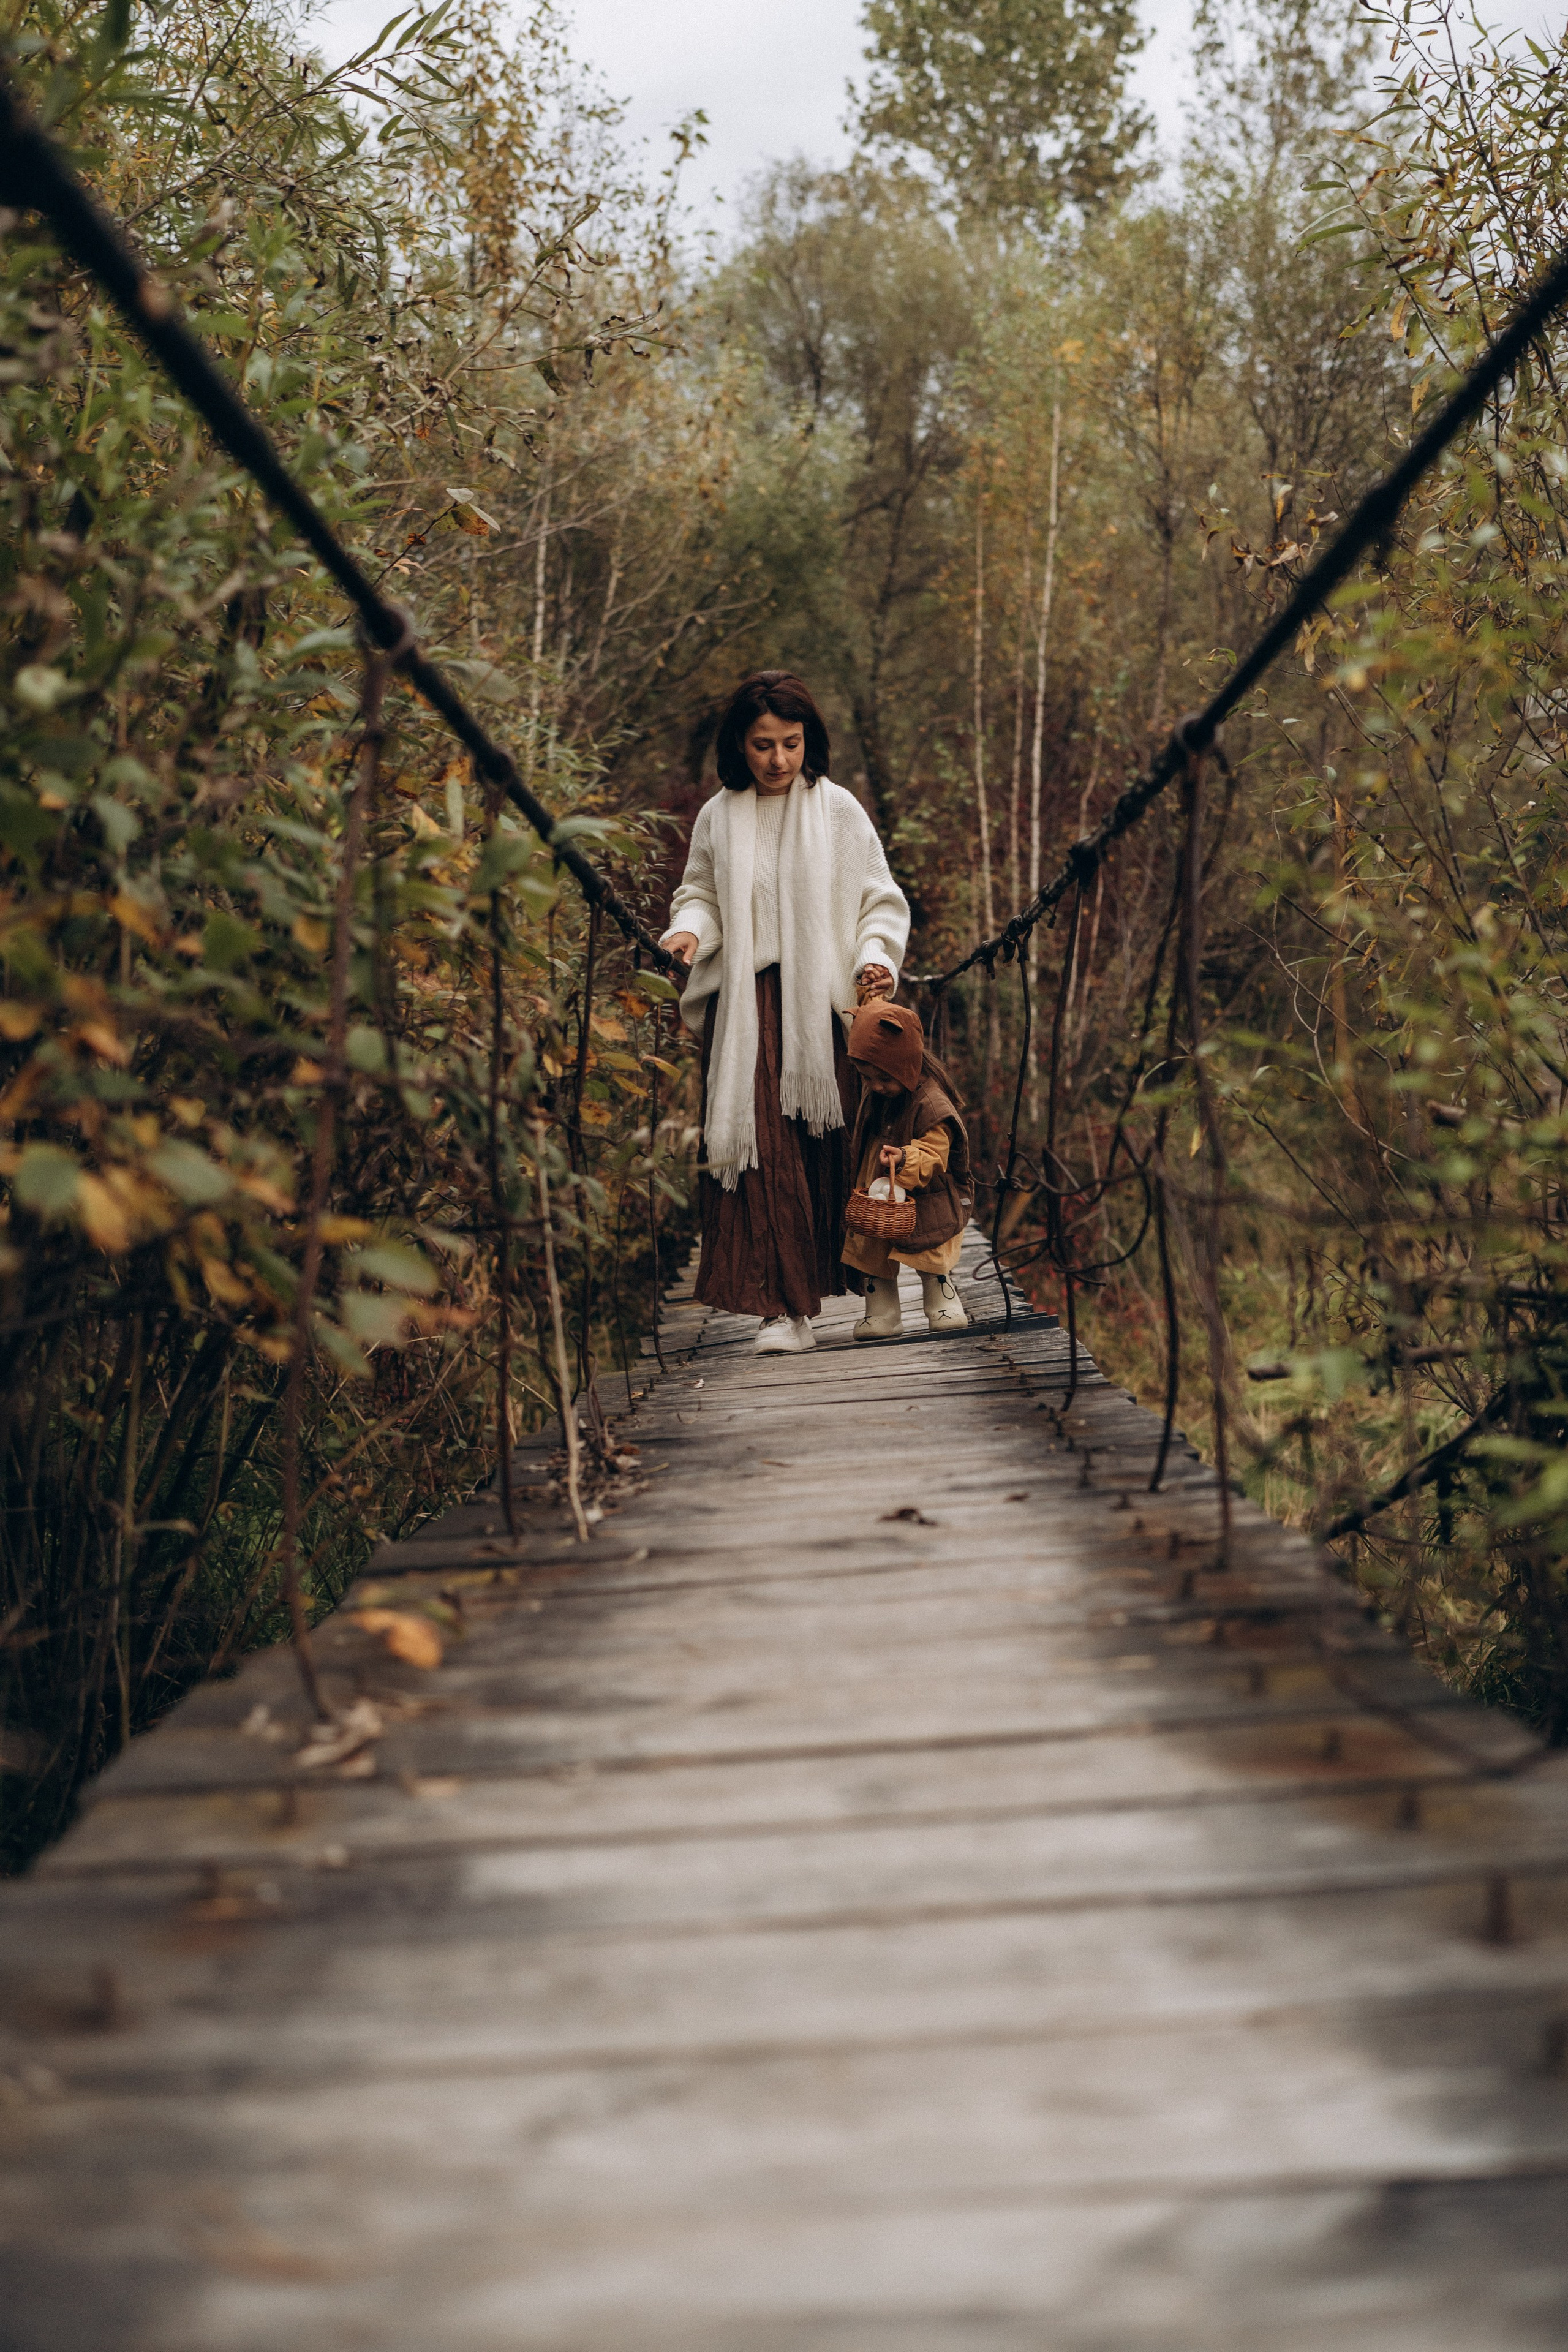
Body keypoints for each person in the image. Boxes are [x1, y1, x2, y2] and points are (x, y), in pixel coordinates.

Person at [660, 671, 910, 1355]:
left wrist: (877, 957)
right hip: (745, 1008)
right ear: (739, 746)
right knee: (760, 1154)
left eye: (791, 744)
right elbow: (700, 896)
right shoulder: (719, 815)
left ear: (810, 741)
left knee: (814, 1151)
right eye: (763, 745)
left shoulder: (838, 811)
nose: (777, 761)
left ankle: (838, 1288)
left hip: (819, 1012)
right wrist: (688, 930)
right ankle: (781, 1311)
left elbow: (877, 899)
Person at [842, 1000, 972, 1341]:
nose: (876, 1086)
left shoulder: (930, 1101)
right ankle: (882, 1313)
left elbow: (935, 1150)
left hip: (925, 1190)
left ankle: (942, 1304)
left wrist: (905, 1158)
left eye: (884, 1078)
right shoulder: (879, 1094)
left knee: (931, 1251)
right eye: (867, 1078)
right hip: (880, 1190)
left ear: (906, 1065)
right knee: (872, 1250)